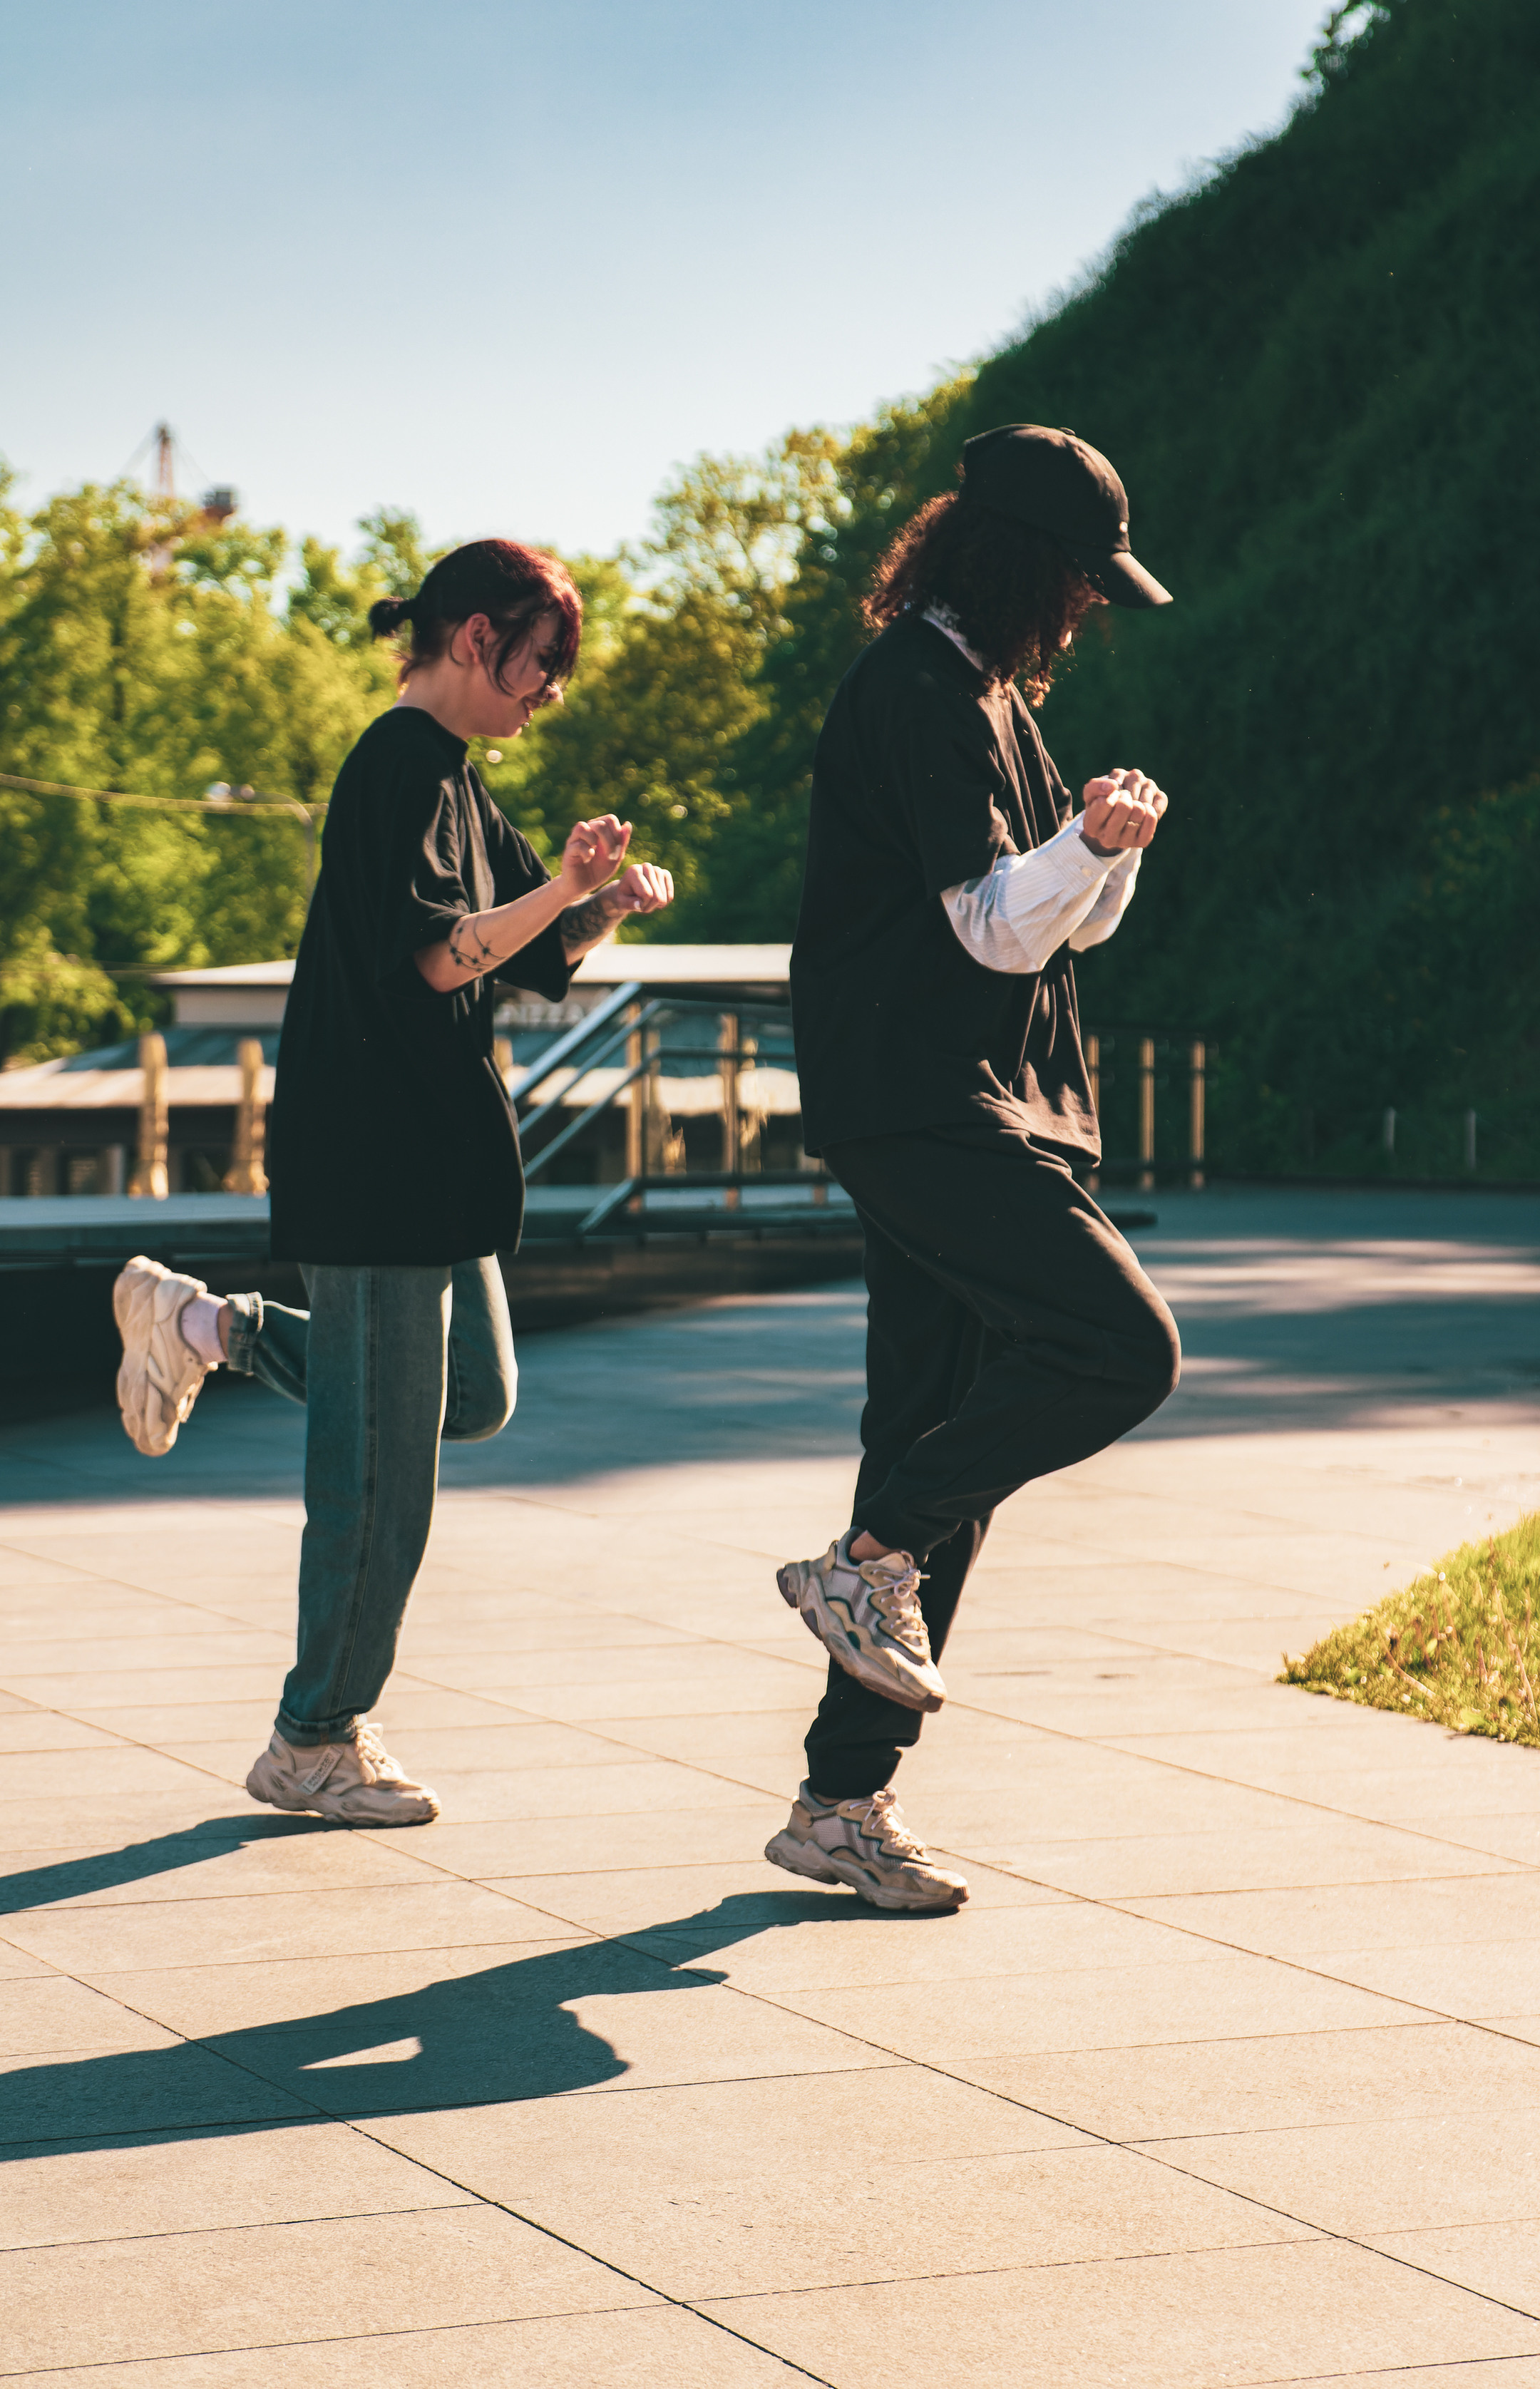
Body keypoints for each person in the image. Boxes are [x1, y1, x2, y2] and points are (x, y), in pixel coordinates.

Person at [112, 540, 672, 1825]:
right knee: (375, 1470)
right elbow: (435, 955)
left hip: (426, 1156)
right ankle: (314, 1738)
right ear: (476, 639)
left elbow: (513, 959)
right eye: (544, 666)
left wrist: (595, 906)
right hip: (372, 1155)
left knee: (471, 1395)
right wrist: (564, 892)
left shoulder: (461, 784)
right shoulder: (400, 764)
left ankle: (204, 1326)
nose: (550, 694)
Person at [766, 426, 1181, 1912]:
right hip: (932, 1103)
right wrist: (1079, 846)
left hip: (973, 1098)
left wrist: (1104, 846)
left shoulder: (992, 692)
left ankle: (839, 1800)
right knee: (1120, 1344)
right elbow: (985, 926)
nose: (1083, 611)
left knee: (934, 1423)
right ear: (1015, 564)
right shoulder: (920, 691)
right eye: (1076, 583)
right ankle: (867, 1556)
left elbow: (1059, 919)